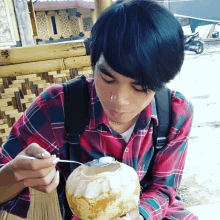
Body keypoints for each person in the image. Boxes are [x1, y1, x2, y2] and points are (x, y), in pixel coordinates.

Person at [0, 0, 198, 219]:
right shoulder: (56, 108)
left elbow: (163, 189)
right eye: (107, 78)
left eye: (140, 87)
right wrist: (14, 174)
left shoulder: (174, 113)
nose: (119, 100)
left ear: (161, 82)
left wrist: (138, 215)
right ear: (94, 60)